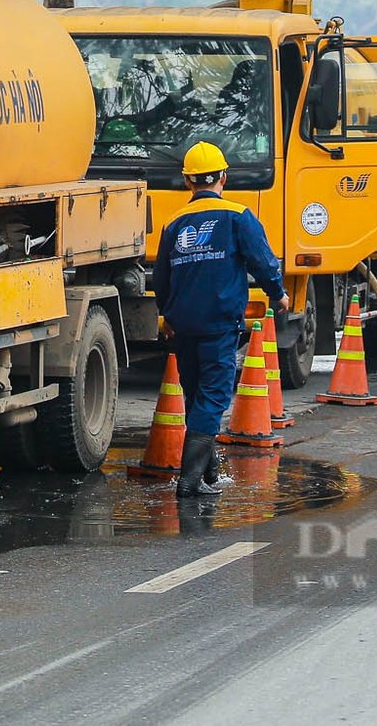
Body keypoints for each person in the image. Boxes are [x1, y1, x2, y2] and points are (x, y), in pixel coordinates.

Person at [152, 141, 288, 497]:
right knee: (212, 398)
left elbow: (162, 278)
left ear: (188, 182)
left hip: (182, 326)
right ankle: (189, 480)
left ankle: (208, 473)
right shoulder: (238, 216)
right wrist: (278, 294)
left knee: (196, 395)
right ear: (224, 177)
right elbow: (263, 261)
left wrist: (166, 314)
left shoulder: (173, 223)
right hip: (218, 325)